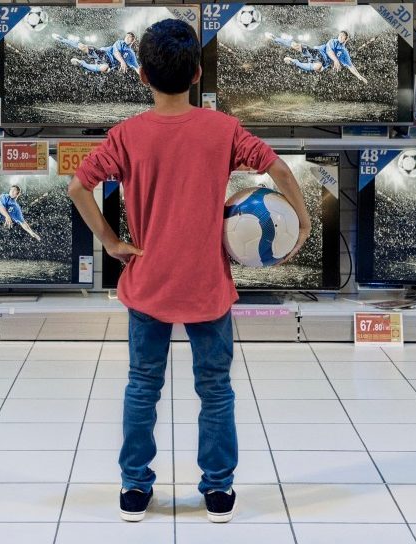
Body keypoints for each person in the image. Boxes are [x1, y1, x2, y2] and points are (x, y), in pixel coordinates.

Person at [66, 19, 309, 524]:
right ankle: (218, 493)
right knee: (215, 389)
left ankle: (135, 490)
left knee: (141, 386)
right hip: (208, 286)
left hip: (148, 283)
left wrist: (112, 242)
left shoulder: (127, 134)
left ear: (141, 75)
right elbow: (278, 170)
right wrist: (303, 222)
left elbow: (78, 187)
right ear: (198, 73)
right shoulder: (222, 130)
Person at [265, 31, 370, 84]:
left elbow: (351, 67)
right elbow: (329, 51)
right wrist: (335, 60)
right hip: (317, 52)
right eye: (339, 35)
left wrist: (360, 76)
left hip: (323, 62)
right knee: (296, 45)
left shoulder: (344, 53)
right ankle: (275, 38)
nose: (340, 37)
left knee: (318, 67)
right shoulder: (332, 41)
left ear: (346, 39)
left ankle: (294, 62)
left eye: (342, 37)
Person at [52, 31, 142, 76]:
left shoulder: (131, 54)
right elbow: (116, 52)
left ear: (133, 40)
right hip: (103, 53)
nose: (127, 38)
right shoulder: (120, 43)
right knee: (83, 47)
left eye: (130, 37)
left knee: (105, 68)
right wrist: (122, 61)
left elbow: (137, 68)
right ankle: (62, 39)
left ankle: (82, 63)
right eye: (126, 36)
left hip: (108, 64)